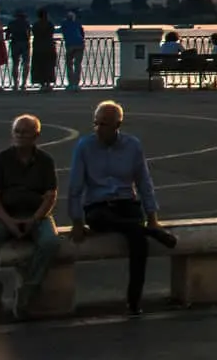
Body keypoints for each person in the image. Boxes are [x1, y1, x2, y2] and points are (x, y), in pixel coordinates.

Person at [68, 101, 177, 317]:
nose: (99, 129)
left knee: (139, 244)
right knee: (103, 220)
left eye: (105, 124)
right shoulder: (84, 146)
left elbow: (144, 182)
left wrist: (152, 217)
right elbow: (75, 187)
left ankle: (134, 300)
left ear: (118, 124)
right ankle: (148, 231)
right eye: (96, 123)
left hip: (126, 203)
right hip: (98, 206)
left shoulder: (132, 145)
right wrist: (77, 222)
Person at [0, 115, 59, 321]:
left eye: (24, 132)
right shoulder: (2, 159)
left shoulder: (45, 161)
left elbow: (50, 196)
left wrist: (34, 220)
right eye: (17, 131)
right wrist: (8, 221)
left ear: (36, 135)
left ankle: (28, 289)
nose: (19, 135)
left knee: (50, 243)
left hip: (35, 214)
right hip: (4, 214)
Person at [29, 10, 56, 92]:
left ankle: (42, 84)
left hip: (38, 48)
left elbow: (34, 33)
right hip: (49, 47)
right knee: (49, 65)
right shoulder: (50, 24)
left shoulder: (35, 25)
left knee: (39, 66)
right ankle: (48, 83)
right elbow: (51, 33)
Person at [60, 11, 86, 92]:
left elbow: (63, 33)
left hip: (70, 45)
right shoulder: (77, 23)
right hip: (80, 44)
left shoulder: (64, 24)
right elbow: (82, 33)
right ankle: (76, 84)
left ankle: (71, 83)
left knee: (69, 64)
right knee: (77, 64)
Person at [4, 11, 30, 92]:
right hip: (25, 44)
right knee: (26, 63)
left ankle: (15, 84)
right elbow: (29, 34)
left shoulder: (11, 23)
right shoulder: (26, 23)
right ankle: (24, 83)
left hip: (15, 44)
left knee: (15, 64)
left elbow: (7, 36)